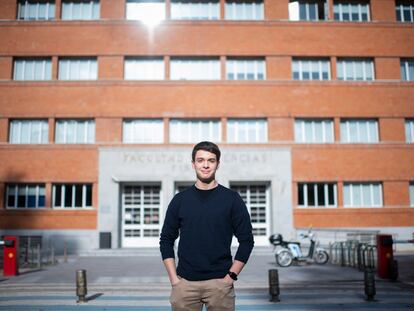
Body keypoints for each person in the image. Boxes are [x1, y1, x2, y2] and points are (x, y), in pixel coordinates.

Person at [160, 141, 254, 311]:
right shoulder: (180, 200)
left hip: (220, 285)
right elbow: (166, 240)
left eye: (211, 160)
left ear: (218, 164)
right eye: (200, 160)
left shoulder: (232, 199)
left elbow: (247, 241)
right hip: (185, 285)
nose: (205, 165)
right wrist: (174, 280)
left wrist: (230, 278)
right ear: (193, 164)